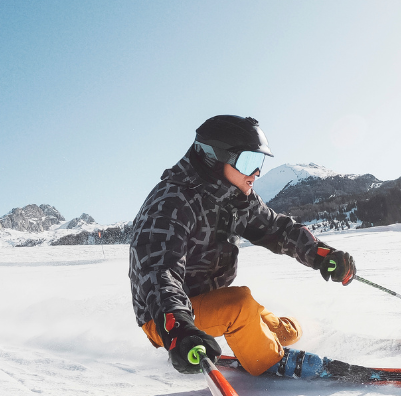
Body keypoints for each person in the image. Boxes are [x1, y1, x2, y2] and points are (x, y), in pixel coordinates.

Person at [128, 115, 355, 378]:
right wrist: (177, 327)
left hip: (208, 300)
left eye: (259, 163)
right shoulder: (170, 202)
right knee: (240, 305)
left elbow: (277, 229)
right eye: (248, 161)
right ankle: (270, 361)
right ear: (214, 158)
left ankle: (273, 339)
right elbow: (158, 271)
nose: (256, 173)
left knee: (283, 331)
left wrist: (320, 253)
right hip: (166, 315)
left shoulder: (234, 198)